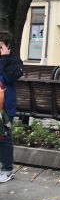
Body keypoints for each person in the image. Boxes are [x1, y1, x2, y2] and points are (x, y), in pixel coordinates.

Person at [0, 30, 24, 183]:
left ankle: (7, 169)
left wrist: (4, 58)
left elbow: (9, 77)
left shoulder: (14, 61)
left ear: (7, 46)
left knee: (5, 137)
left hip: (5, 107)